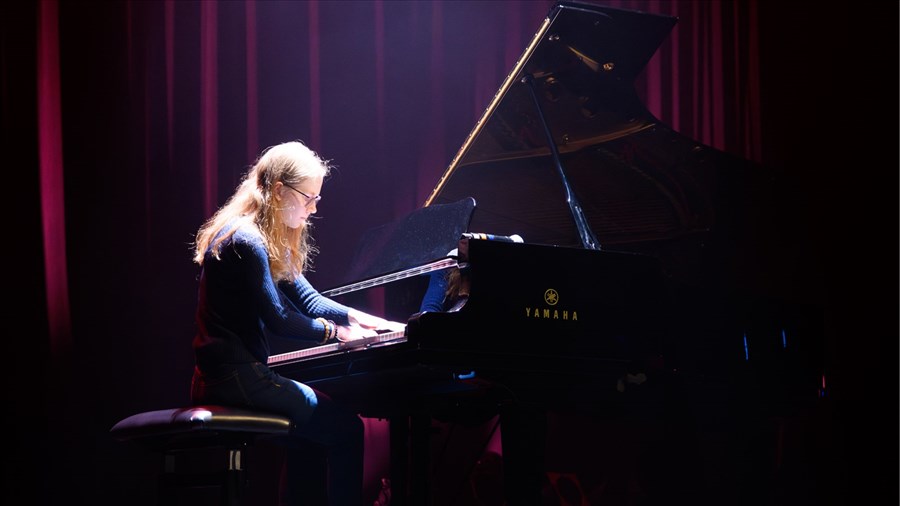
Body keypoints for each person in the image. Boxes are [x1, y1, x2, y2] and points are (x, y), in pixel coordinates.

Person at [189, 140, 406, 505]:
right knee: (348, 429)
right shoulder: (248, 240)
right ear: (278, 191)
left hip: (223, 378)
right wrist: (337, 334)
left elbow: (310, 300)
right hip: (236, 379)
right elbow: (279, 318)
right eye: (308, 198)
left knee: (311, 437)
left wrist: (378, 322)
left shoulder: (257, 236)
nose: (313, 208)